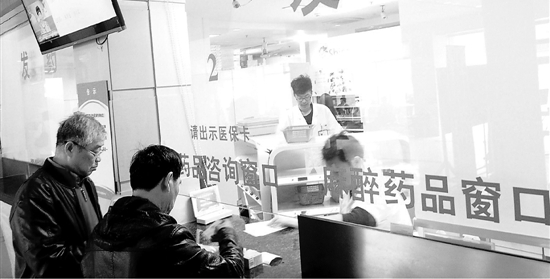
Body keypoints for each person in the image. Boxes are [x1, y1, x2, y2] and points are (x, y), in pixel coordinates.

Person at [81, 144, 244, 278]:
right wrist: (227, 233)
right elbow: (232, 270)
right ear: (168, 180)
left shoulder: (102, 227)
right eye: (178, 183)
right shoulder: (168, 237)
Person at [9, 112, 107, 278]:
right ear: (70, 148)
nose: (99, 159)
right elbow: (48, 264)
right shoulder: (34, 194)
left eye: (101, 152)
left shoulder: (85, 183)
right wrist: (102, 248)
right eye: (95, 152)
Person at [270, 132, 412, 230]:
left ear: (356, 162)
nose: (334, 178)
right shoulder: (352, 185)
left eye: (337, 172)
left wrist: (296, 222)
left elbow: (359, 219)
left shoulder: (375, 183)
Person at [278, 75, 343, 139]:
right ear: (295, 96)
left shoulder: (324, 111)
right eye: (300, 98)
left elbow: (338, 132)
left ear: (311, 93)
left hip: (322, 146)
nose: (304, 101)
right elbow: (281, 139)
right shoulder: (288, 116)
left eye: (307, 96)